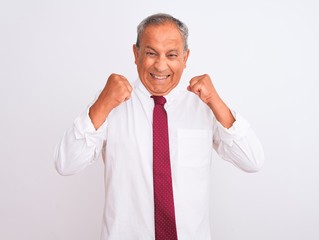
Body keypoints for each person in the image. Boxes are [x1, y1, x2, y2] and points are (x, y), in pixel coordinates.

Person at [54, 13, 264, 240]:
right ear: (136, 54)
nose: (161, 65)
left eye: (172, 55)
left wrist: (216, 101)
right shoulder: (109, 103)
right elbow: (66, 164)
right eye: (151, 53)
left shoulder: (203, 105)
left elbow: (252, 161)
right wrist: (102, 104)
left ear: (185, 57)